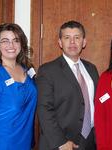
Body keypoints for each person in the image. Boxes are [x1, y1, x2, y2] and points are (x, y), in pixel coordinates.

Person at [36, 20, 99, 150]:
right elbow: (44, 109)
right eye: (67, 38)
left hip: (89, 141)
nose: (72, 42)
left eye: (77, 37)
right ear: (60, 42)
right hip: (60, 143)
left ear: (84, 42)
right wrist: (60, 142)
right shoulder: (47, 70)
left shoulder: (92, 69)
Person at [0, 23, 37, 150]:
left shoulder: (27, 69)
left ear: (21, 44)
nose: (11, 45)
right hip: (0, 144)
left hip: (25, 143)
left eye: (15, 40)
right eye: (5, 41)